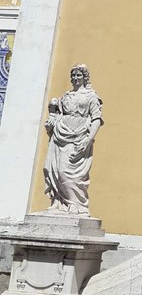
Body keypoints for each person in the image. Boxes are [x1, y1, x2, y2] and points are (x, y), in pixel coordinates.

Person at [44, 64, 103, 215]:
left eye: (79, 75)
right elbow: (58, 114)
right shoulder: (67, 95)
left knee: (66, 171)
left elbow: (96, 118)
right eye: (74, 75)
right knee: (56, 170)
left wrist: (88, 139)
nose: (76, 78)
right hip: (60, 135)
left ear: (85, 77)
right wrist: (52, 119)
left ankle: (76, 204)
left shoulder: (91, 96)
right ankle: (60, 203)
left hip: (79, 136)